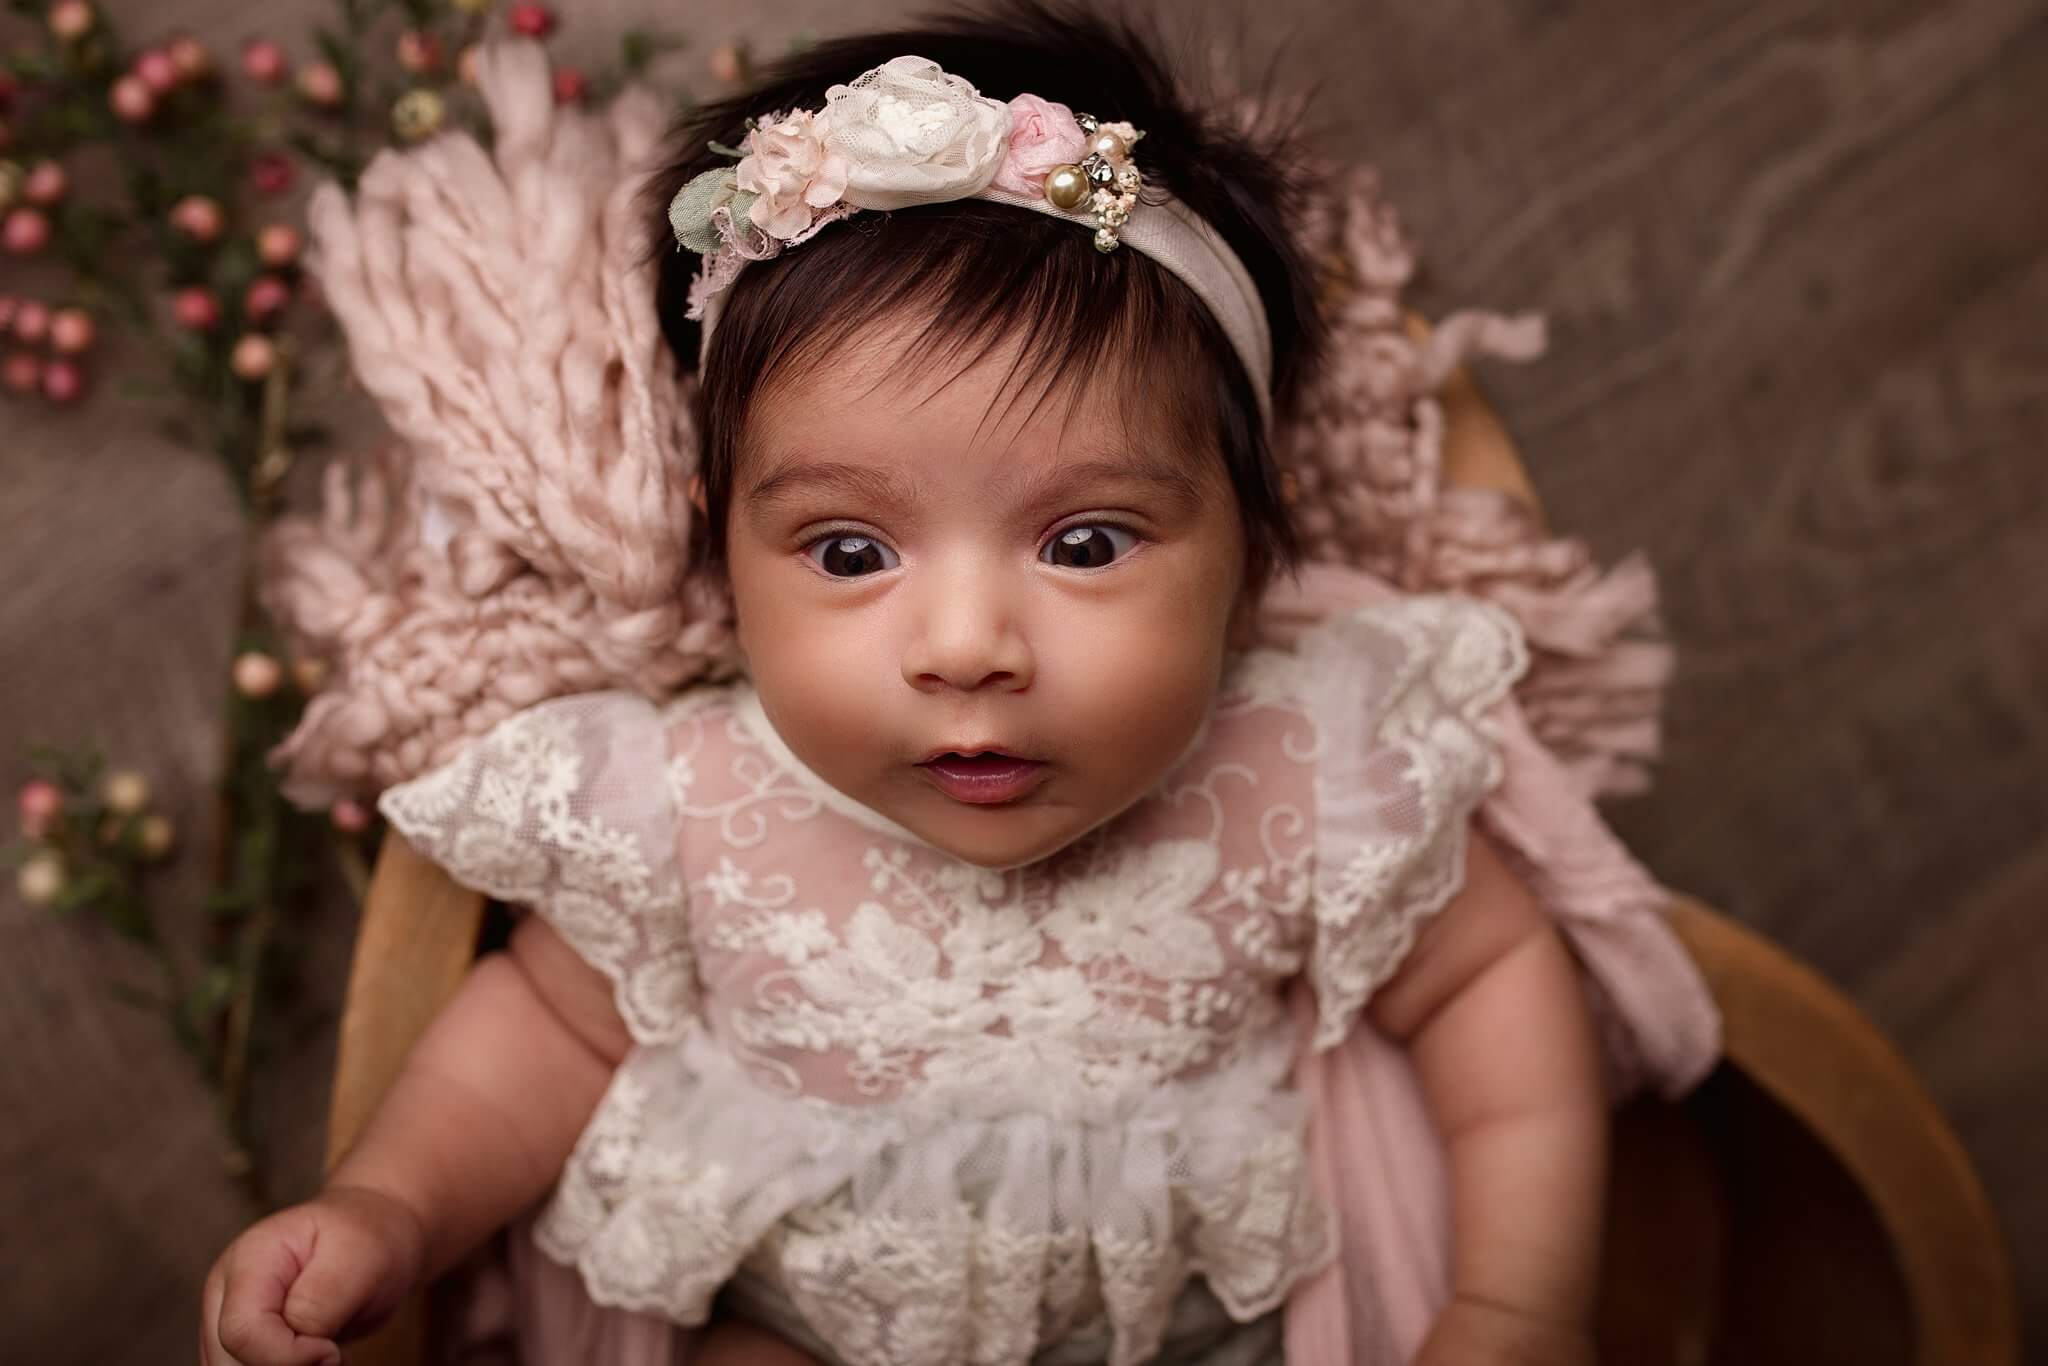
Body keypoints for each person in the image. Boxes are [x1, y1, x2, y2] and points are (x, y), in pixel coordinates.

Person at [202, 3, 1719, 1363]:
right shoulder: (695, 799)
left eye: (1084, 539)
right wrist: (389, 1205)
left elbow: (1500, 989)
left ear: (1250, 558)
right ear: (722, 560)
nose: (967, 643)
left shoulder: (1301, 770)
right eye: (851, 550)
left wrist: (1519, 1304)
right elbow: (539, 1036)